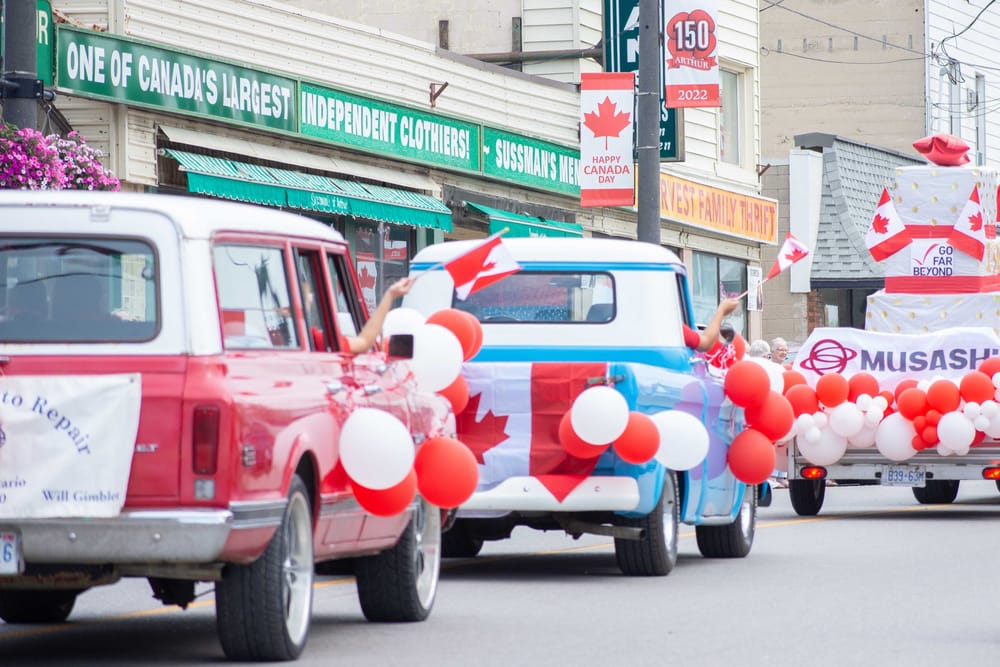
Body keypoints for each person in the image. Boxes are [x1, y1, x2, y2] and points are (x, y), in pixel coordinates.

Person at [347, 277, 414, 353]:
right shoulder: (339, 344)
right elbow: (365, 342)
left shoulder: (337, 343)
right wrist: (390, 294)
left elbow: (364, 342)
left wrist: (391, 294)